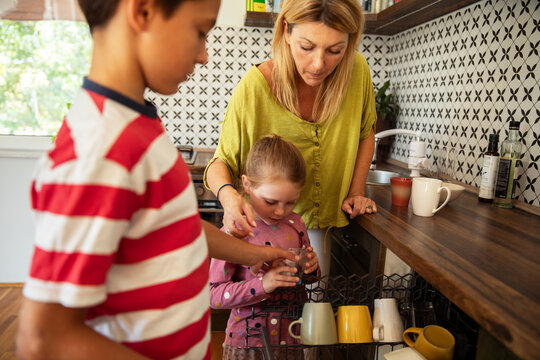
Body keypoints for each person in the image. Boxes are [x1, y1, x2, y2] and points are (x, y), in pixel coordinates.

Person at [15, 1, 297, 359]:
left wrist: (259, 253)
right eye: (199, 32)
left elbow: (177, 226)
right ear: (143, 11)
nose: (204, 56)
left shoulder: (136, 125)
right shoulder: (99, 151)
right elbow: (42, 339)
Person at [204, 0, 378, 278]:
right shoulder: (255, 86)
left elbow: (365, 133)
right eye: (306, 47)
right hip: (269, 231)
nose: (319, 64)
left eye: (335, 50)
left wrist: (357, 191)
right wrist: (228, 198)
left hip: (329, 227)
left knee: (313, 309)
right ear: (286, 32)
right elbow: (220, 162)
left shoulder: (357, 71)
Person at [209, 135, 320, 359]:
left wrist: (311, 269)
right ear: (247, 184)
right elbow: (214, 296)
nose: (281, 211)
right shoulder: (235, 230)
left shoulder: (296, 223)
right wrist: (263, 284)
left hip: (291, 338)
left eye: (290, 202)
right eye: (270, 202)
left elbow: (306, 279)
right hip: (247, 343)